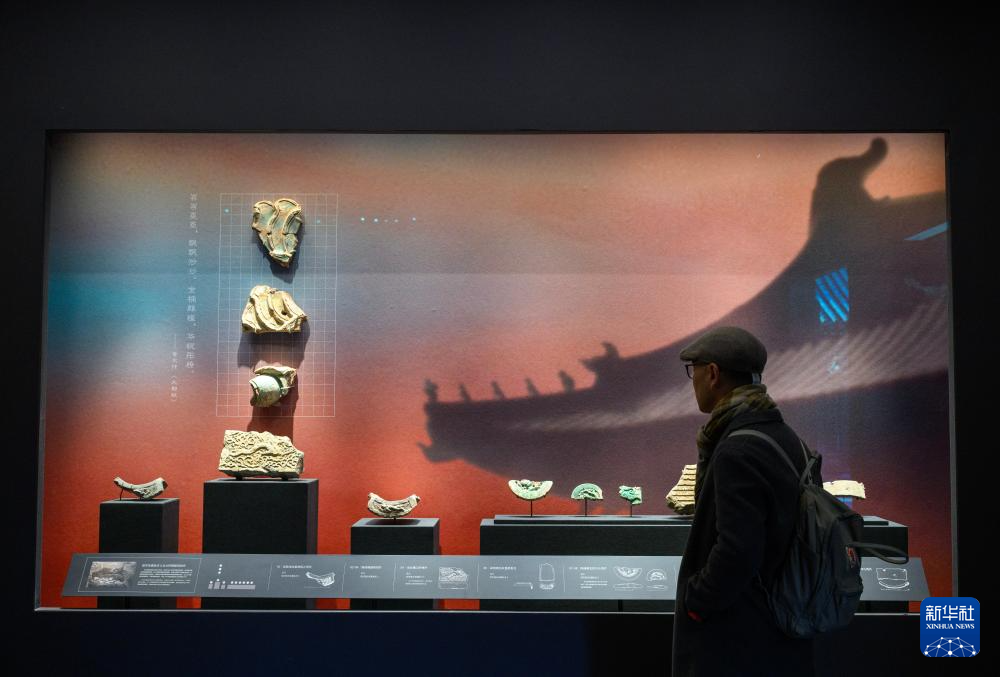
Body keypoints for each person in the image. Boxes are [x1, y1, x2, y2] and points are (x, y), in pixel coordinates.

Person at [672, 326, 820, 677]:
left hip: (740, 641)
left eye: (694, 370)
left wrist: (697, 600)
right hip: (785, 630)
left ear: (713, 374)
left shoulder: (737, 449)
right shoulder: (789, 440)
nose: (693, 381)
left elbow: (738, 550)